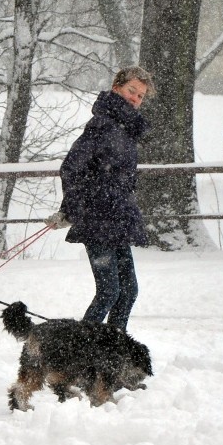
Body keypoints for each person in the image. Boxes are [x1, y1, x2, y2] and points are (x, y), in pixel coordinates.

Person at [44, 66, 155, 332]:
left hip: (117, 219)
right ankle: (77, 352)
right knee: (109, 293)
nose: (135, 99)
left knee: (128, 292)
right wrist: (71, 209)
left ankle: (112, 352)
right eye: (132, 91)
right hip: (97, 220)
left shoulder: (125, 129)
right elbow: (71, 168)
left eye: (140, 96)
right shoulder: (103, 124)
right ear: (117, 87)